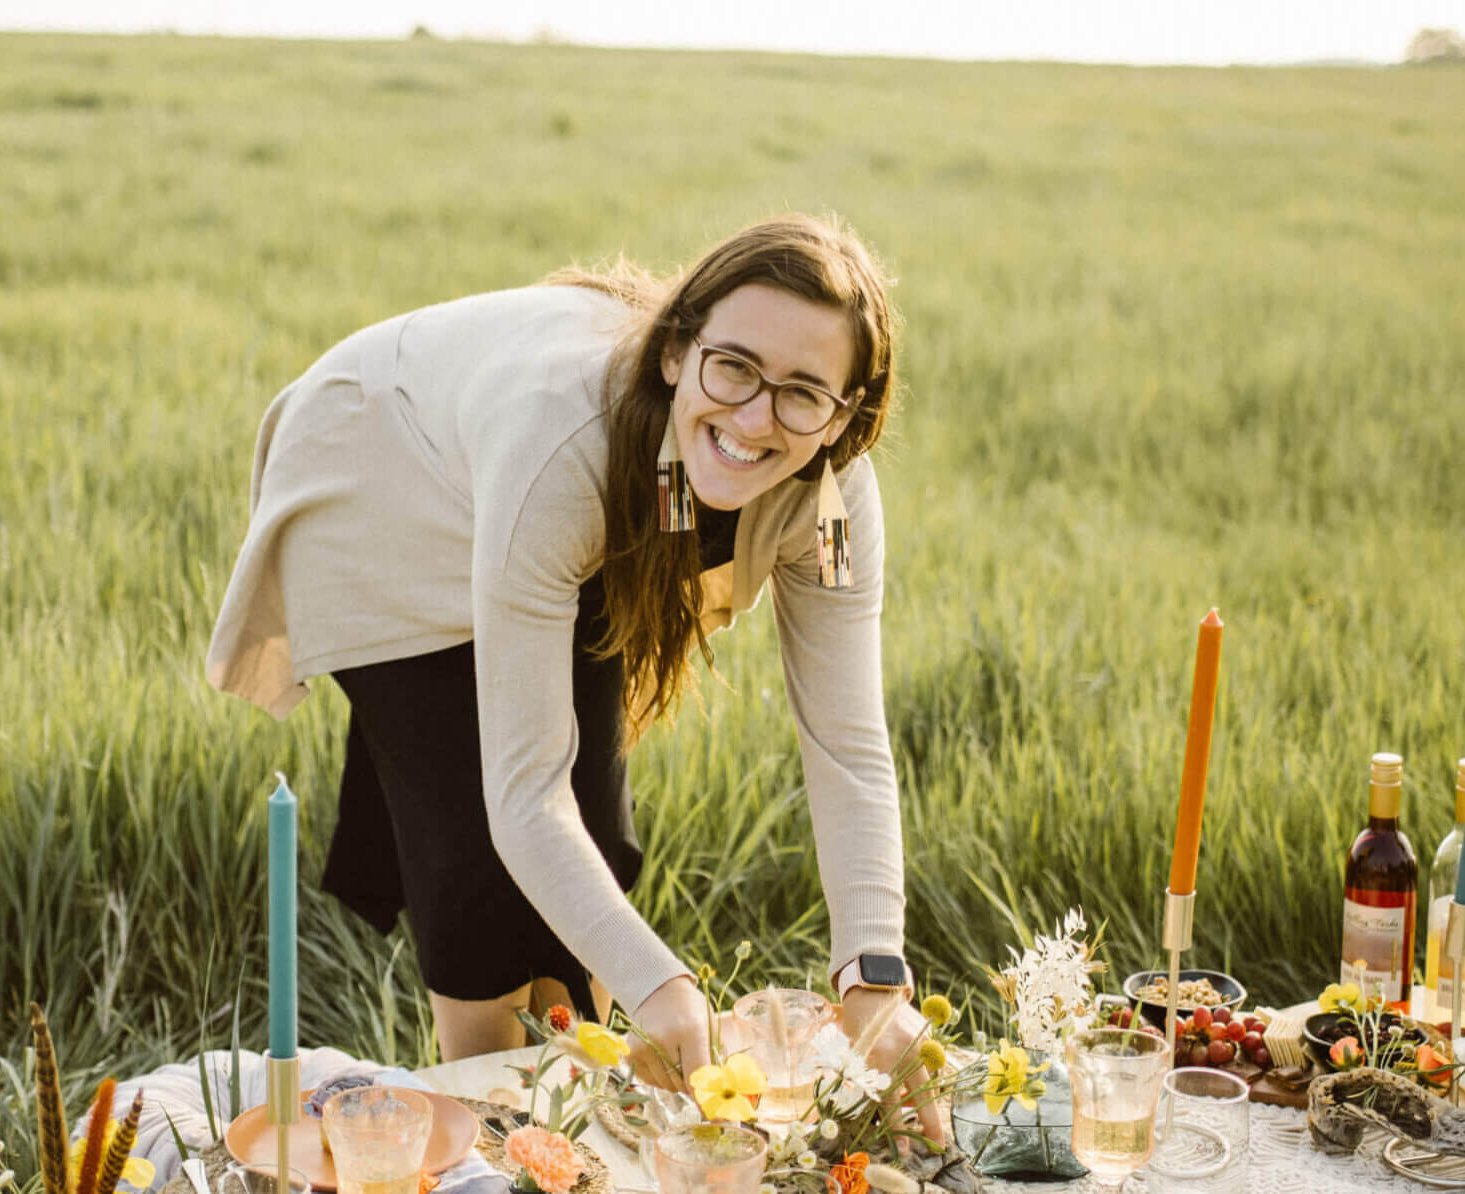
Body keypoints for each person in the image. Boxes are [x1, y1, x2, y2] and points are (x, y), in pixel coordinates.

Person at [206, 212, 943, 1143]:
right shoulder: (562, 453)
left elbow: (846, 745)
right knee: (472, 868)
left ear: (846, 413)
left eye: (803, 392)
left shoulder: (832, 503)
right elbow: (523, 794)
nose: (757, 419)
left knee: (591, 832)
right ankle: (486, 1139)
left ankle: (577, 1135)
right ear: (677, 351)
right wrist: (662, 987)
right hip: (381, 483)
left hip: (553, 495)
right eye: (734, 367)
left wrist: (872, 980)